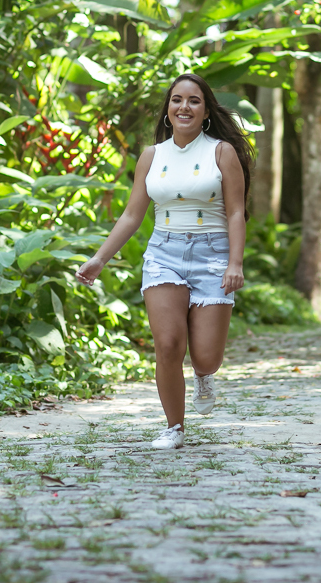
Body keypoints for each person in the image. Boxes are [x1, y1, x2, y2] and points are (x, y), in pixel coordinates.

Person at [75, 73, 253, 450]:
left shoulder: (221, 152)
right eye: (176, 100)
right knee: (169, 345)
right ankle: (174, 427)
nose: (183, 107)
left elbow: (236, 212)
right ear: (168, 109)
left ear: (205, 111)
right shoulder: (152, 156)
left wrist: (234, 263)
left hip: (213, 255)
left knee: (206, 356)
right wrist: (99, 259)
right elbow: (131, 215)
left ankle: (204, 375)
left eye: (193, 101)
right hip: (163, 254)